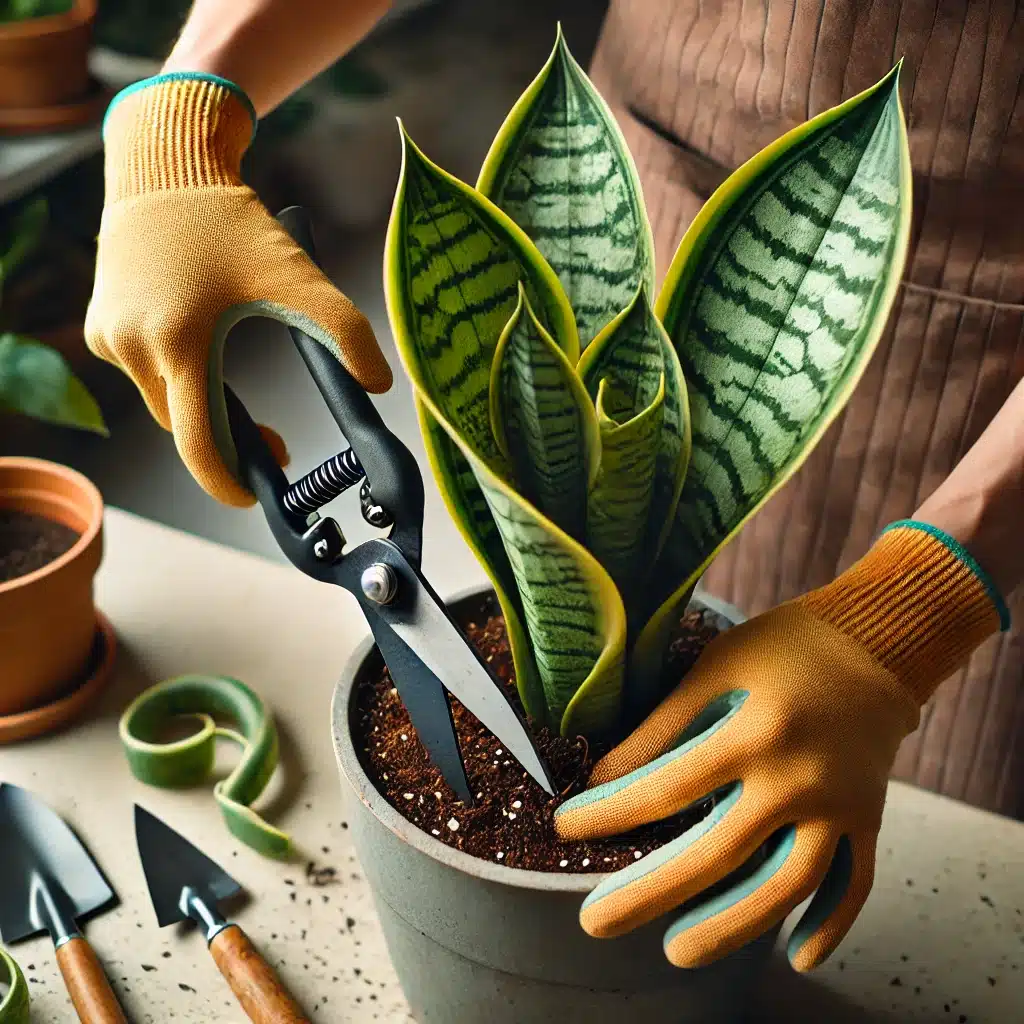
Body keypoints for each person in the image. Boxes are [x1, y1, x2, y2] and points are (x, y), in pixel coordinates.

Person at [85, 0, 1023, 974]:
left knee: (952, 847)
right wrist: (180, 118)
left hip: (982, 394)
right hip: (654, 228)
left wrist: (918, 606)